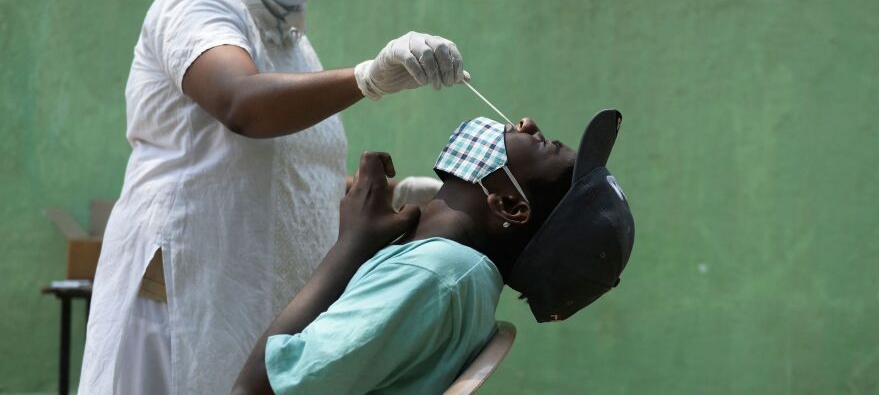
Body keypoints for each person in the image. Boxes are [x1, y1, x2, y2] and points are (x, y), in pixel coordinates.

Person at [80, 0, 464, 394]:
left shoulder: (292, 45)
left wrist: (390, 199)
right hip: (179, 307)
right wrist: (368, 78)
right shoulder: (196, 4)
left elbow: (285, 179)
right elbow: (242, 105)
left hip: (251, 308)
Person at [231, 110, 636, 394]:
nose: (526, 123)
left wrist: (350, 247)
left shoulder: (435, 276)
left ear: (509, 205)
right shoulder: (460, 274)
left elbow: (256, 389)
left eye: (543, 143)